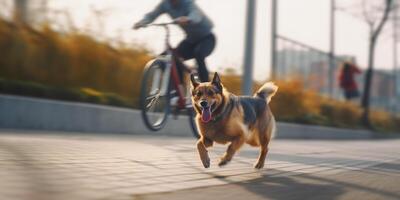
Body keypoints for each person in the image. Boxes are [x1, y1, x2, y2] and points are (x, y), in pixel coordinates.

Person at [133, 0, 216, 82]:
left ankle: (206, 86)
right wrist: (142, 22)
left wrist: (188, 19)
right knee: (169, 57)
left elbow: (196, 15)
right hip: (191, 40)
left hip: (207, 38)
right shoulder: (165, 4)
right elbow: (152, 15)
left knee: (199, 54)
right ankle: (178, 87)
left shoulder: (188, 2)